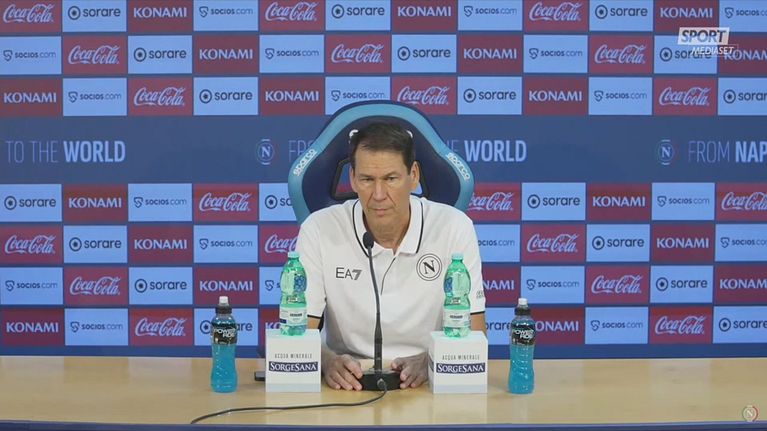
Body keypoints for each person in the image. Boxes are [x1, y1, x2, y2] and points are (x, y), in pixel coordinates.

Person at [296, 122, 486, 391]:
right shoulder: (318, 229)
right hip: (349, 387)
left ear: (413, 175)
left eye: (391, 179)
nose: (378, 195)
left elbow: (475, 336)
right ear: (353, 179)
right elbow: (296, 336)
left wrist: (431, 360)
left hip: (429, 383)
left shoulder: (454, 227)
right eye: (367, 180)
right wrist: (327, 361)